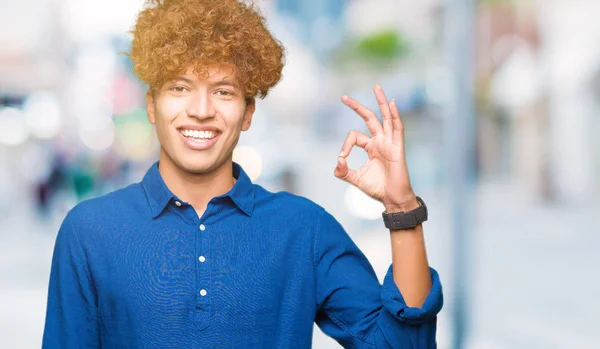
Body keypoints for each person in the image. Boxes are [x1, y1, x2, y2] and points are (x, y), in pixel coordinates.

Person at [42, 0, 443, 348]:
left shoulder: (304, 230)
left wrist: (401, 208)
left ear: (248, 112)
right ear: (151, 105)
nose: (201, 109)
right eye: (180, 87)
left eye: (223, 91)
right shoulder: (89, 231)